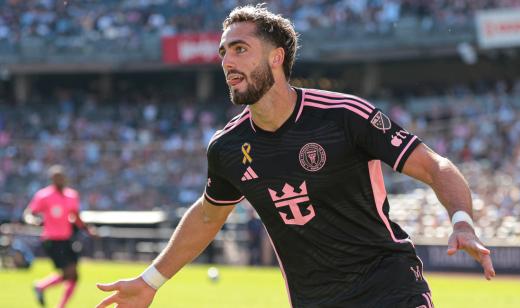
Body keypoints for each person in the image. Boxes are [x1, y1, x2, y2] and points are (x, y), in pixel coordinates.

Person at [96, 5, 495, 308]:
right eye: (223, 53)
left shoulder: (343, 115)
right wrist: (150, 280)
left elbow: (433, 165)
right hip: (312, 300)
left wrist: (462, 222)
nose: (227, 62)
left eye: (239, 49)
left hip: (388, 287)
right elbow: (207, 215)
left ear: (277, 57)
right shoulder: (227, 148)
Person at [24, 165, 95, 308]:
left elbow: (76, 216)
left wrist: (88, 229)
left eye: (61, 177)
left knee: (74, 276)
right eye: (56, 177)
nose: (59, 180)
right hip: (52, 240)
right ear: (52, 179)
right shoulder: (44, 195)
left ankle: (44, 289)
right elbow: (29, 213)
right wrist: (32, 220)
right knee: (70, 273)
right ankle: (43, 288)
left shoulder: (71, 195)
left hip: (66, 239)